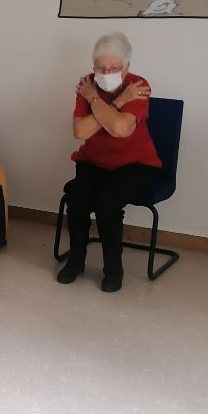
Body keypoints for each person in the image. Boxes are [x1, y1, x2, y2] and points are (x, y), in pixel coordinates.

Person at [57, 32, 162, 292]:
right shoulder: (87, 85)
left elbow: (119, 129)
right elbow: (80, 132)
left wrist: (103, 103)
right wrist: (113, 102)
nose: (106, 73)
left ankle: (114, 270)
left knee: (107, 204)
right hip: (94, 160)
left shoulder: (138, 86)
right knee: (77, 198)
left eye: (113, 68)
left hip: (135, 163)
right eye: (100, 67)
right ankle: (76, 261)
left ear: (127, 67)